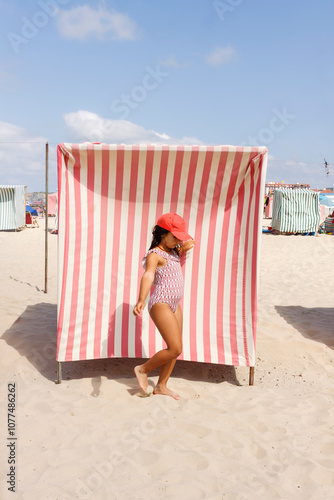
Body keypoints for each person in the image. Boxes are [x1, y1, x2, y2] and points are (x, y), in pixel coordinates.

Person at [133, 213, 195, 400]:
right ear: (162, 234)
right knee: (175, 348)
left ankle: (161, 386)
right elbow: (148, 275)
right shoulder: (155, 255)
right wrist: (141, 299)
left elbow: (187, 242)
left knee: (174, 347)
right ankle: (143, 369)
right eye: (174, 236)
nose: (178, 240)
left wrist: (182, 245)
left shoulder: (175, 251)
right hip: (161, 302)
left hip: (175, 304)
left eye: (179, 237)